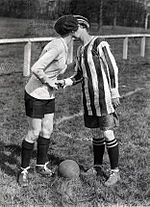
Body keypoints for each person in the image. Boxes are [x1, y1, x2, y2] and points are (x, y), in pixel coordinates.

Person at [57, 15, 121, 187]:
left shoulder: (99, 43)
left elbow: (112, 68)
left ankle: (115, 172)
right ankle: (97, 167)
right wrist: (65, 82)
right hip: (89, 99)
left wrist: (114, 93)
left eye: (74, 29)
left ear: (83, 26)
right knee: (96, 134)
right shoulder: (80, 50)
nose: (73, 33)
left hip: (104, 98)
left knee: (108, 133)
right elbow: (79, 75)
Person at [17, 15, 79, 187]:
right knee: (34, 132)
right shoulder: (58, 46)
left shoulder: (63, 44)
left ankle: (41, 165)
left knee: (47, 130)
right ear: (73, 31)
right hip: (36, 93)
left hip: (48, 95)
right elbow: (36, 67)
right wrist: (48, 81)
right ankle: (23, 170)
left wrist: (56, 80)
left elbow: (54, 68)